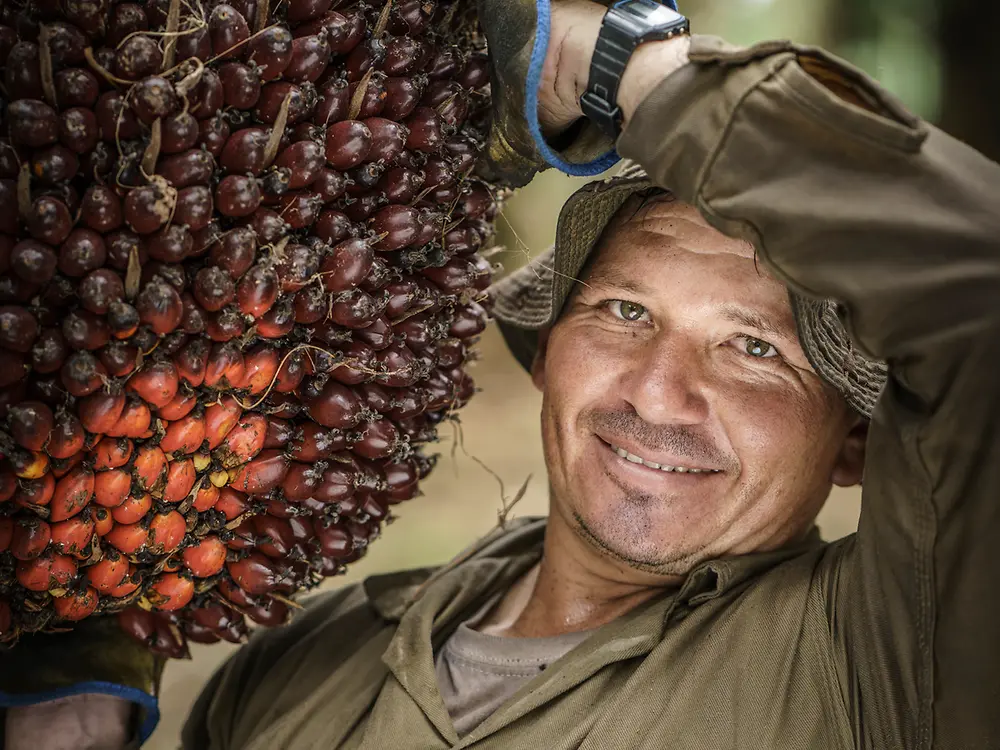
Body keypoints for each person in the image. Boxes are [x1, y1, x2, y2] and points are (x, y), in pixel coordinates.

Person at [5, 0, 1000, 747]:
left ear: (856, 438)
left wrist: (611, 66)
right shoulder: (296, 666)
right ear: (550, 352)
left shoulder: (892, 661)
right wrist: (81, 625)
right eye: (625, 312)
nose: (658, 393)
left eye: (754, 349)